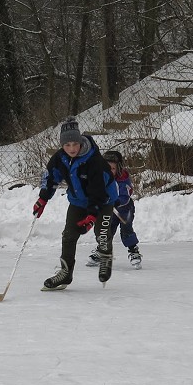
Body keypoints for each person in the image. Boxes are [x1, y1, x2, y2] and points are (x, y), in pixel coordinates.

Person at [32, 117, 117, 290]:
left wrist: (92, 215)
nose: (71, 148)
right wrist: (43, 199)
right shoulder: (60, 158)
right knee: (69, 235)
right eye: (67, 145)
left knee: (101, 232)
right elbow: (50, 178)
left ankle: (106, 256)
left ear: (80, 142)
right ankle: (65, 273)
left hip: (103, 199)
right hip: (78, 200)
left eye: (74, 144)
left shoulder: (94, 161)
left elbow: (98, 190)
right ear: (62, 145)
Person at [86, 150, 143, 269]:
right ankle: (102, 250)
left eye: (112, 168)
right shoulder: (101, 178)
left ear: (119, 168)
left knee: (126, 230)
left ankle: (134, 251)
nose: (109, 171)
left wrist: (114, 201)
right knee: (106, 230)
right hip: (109, 210)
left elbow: (125, 196)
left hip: (124, 210)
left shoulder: (123, 180)